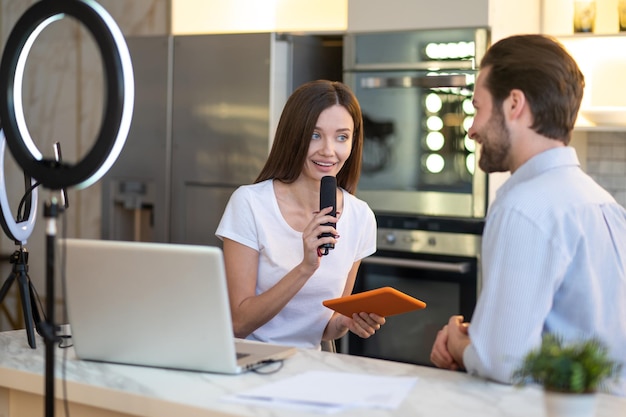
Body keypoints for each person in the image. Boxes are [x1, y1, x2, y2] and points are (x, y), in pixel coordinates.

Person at [429, 34, 626, 396]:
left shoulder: (523, 207)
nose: (472, 129)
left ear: (514, 104)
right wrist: (488, 333)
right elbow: (578, 329)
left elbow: (504, 362)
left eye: (478, 108)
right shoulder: (601, 203)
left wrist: (459, 344)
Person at [215, 80, 385, 350]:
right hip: (250, 360)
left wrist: (344, 323)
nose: (329, 150)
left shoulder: (361, 217)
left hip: (309, 366)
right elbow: (239, 323)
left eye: (342, 137)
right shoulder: (250, 204)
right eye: (315, 135)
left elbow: (325, 326)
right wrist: (305, 267)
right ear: (294, 136)